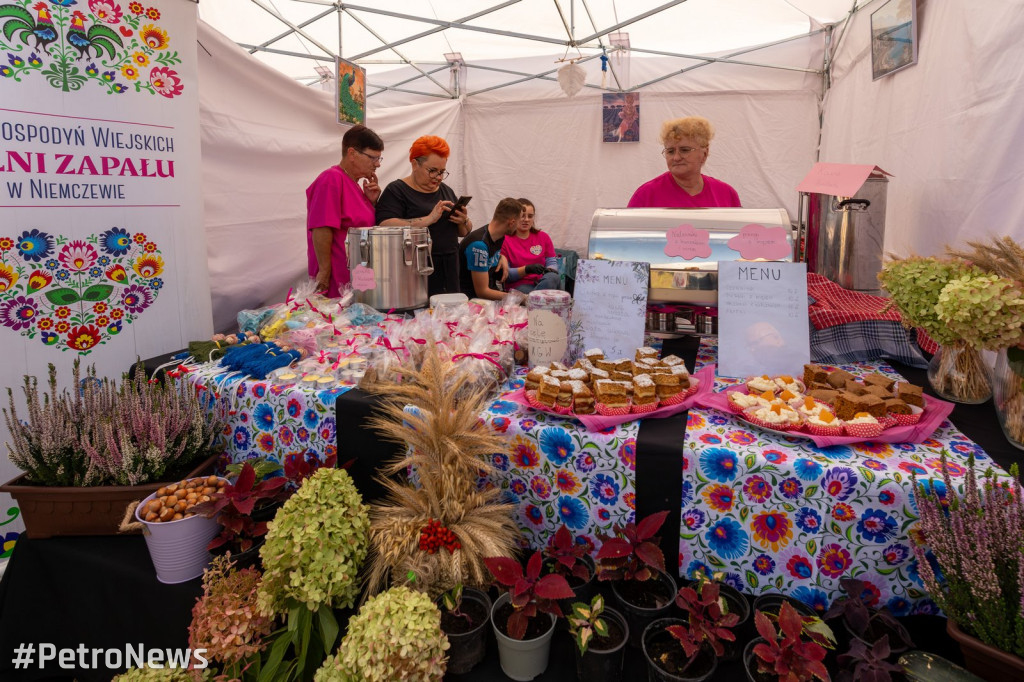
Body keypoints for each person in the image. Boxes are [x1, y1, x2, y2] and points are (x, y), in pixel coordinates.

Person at [375, 135, 472, 297]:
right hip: (415, 270)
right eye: (432, 171)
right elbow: (384, 225)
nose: (438, 177)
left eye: (442, 172)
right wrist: (428, 220)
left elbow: (462, 232)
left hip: (449, 267)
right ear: (414, 164)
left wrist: (464, 221)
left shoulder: (446, 191)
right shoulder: (397, 190)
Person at [306, 124, 382, 297]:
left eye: (379, 159)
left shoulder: (355, 184)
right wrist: (324, 273)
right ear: (352, 154)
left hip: (357, 278)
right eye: (373, 158)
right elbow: (322, 227)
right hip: (336, 280)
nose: (377, 164)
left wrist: (372, 201)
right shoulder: (331, 178)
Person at [627, 116, 741, 208]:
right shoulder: (645, 195)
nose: (676, 157)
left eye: (684, 150)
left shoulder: (726, 194)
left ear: (704, 154)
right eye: (670, 151)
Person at [459, 198, 522, 300]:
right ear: (511, 222)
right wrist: (519, 299)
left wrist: (502, 257)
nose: (518, 226)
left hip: (490, 296)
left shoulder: (499, 236)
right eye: (518, 222)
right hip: (473, 302)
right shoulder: (479, 246)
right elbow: (482, 292)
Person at [500, 198, 561, 293]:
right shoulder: (504, 240)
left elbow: (552, 262)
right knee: (531, 293)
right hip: (519, 285)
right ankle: (537, 300)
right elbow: (506, 275)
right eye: (522, 216)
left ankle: (535, 301)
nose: (526, 220)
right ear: (514, 217)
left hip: (543, 282)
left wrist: (550, 270)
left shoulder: (543, 237)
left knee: (553, 277)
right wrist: (527, 269)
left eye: (530, 216)